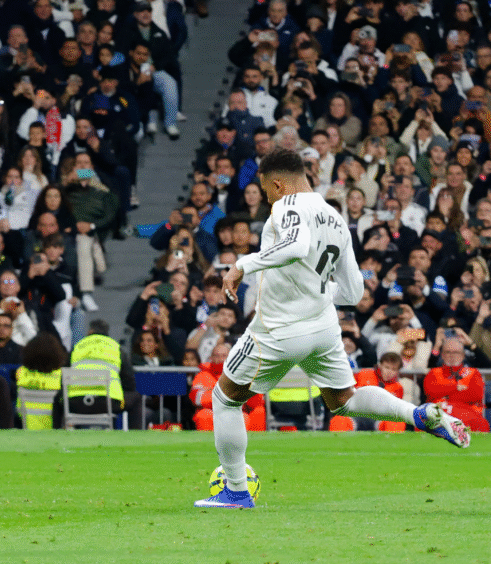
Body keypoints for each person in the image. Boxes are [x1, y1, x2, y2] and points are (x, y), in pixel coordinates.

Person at [196, 149, 470, 510]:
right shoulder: (335, 218)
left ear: (277, 183)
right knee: (344, 400)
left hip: (278, 329)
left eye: (266, 191)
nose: (267, 199)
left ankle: (235, 490)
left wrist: (243, 264)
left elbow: (296, 246)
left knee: (224, 399)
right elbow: (355, 291)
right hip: (323, 327)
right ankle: (417, 415)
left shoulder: (287, 206)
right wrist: (317, 293)